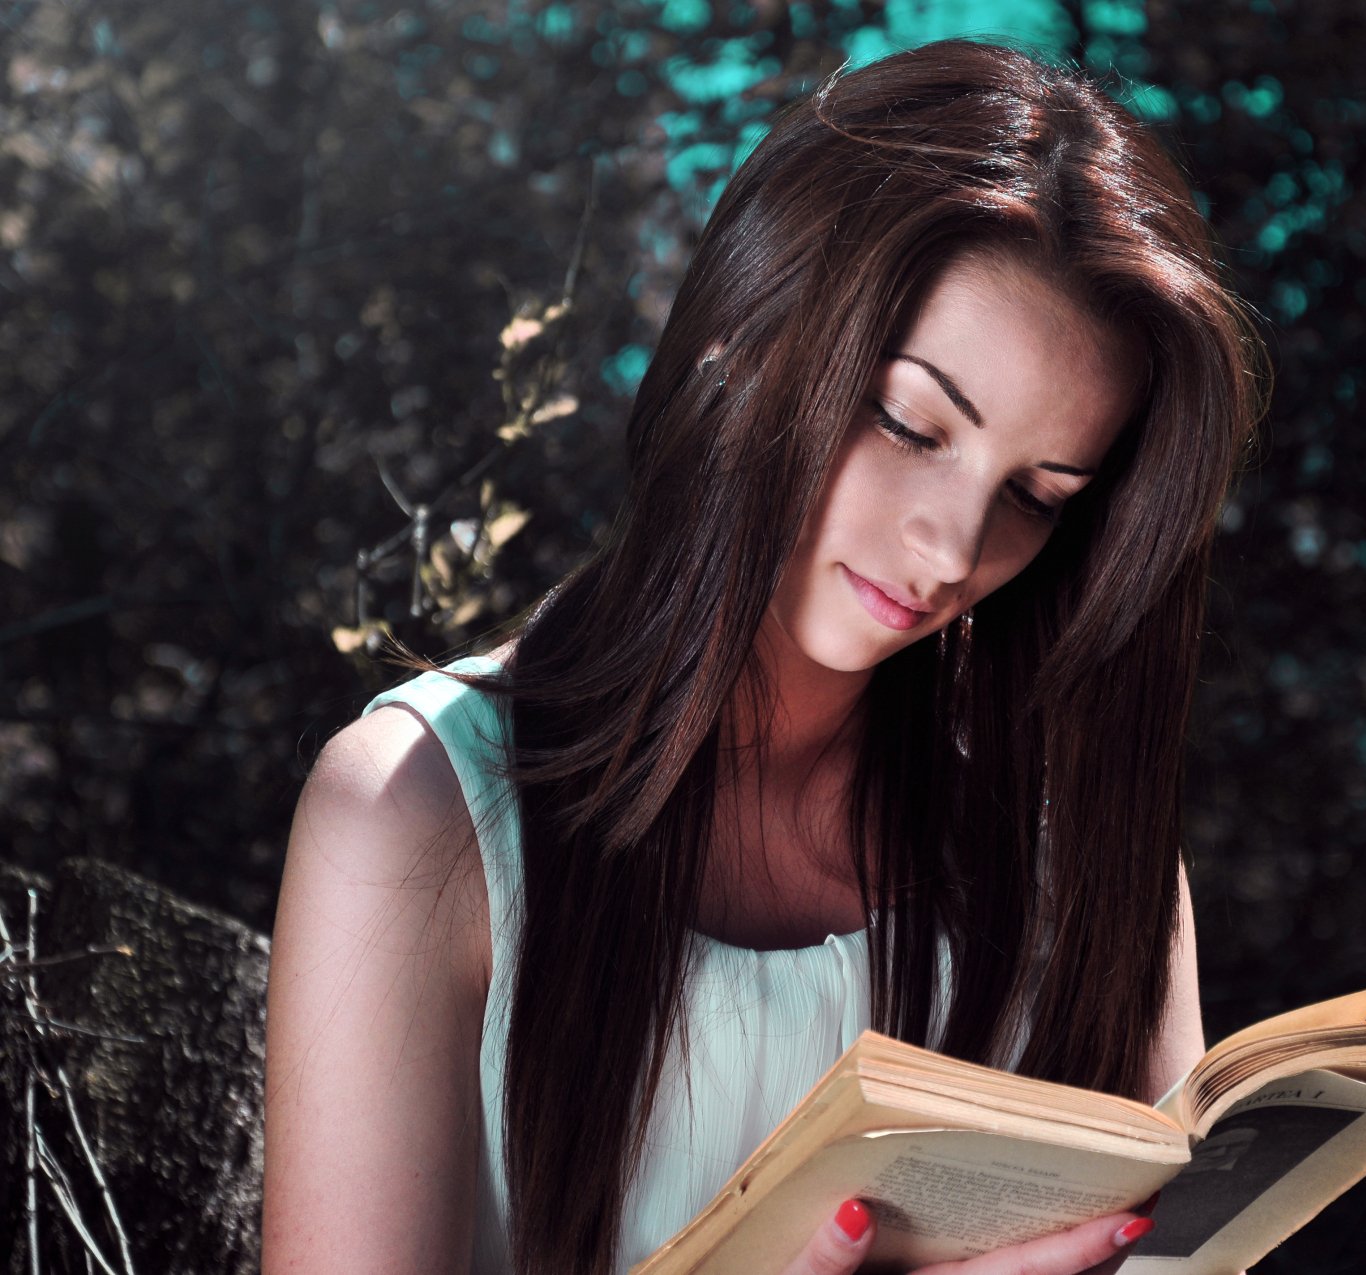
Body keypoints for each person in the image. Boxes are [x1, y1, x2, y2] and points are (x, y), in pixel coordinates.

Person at [262, 37, 1266, 1275]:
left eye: (1041, 495)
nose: (950, 547)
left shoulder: (1080, 852)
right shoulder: (420, 817)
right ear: (747, 339)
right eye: (909, 423)